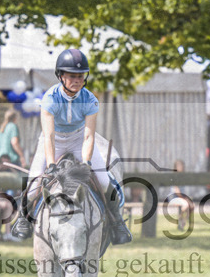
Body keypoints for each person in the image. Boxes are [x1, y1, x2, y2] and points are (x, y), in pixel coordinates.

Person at [10, 47, 132, 245]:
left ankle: (117, 222)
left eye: (81, 75)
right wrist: (50, 164)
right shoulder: (50, 99)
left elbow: (89, 135)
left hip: (78, 138)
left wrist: (85, 162)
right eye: (72, 75)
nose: (77, 80)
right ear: (60, 76)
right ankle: (23, 219)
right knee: (33, 185)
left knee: (102, 180)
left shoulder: (90, 99)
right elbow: (49, 136)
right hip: (53, 140)